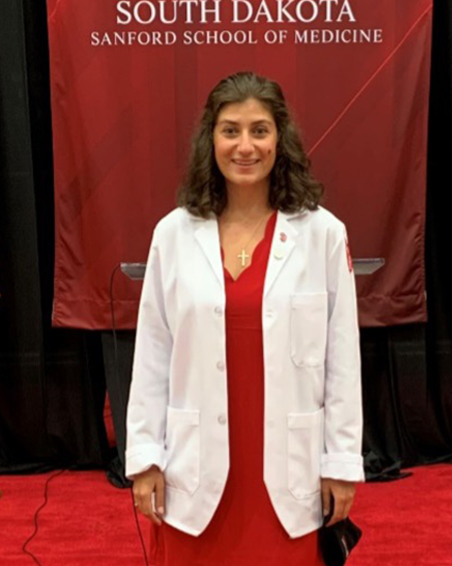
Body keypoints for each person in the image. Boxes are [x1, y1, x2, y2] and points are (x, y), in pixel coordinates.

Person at [125, 71, 364, 565]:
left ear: (281, 139)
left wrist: (340, 463)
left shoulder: (322, 234)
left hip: (287, 481)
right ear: (210, 140)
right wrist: (145, 457)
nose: (245, 146)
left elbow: (343, 360)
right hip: (194, 478)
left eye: (260, 130)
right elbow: (152, 355)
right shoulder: (172, 235)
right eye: (230, 130)